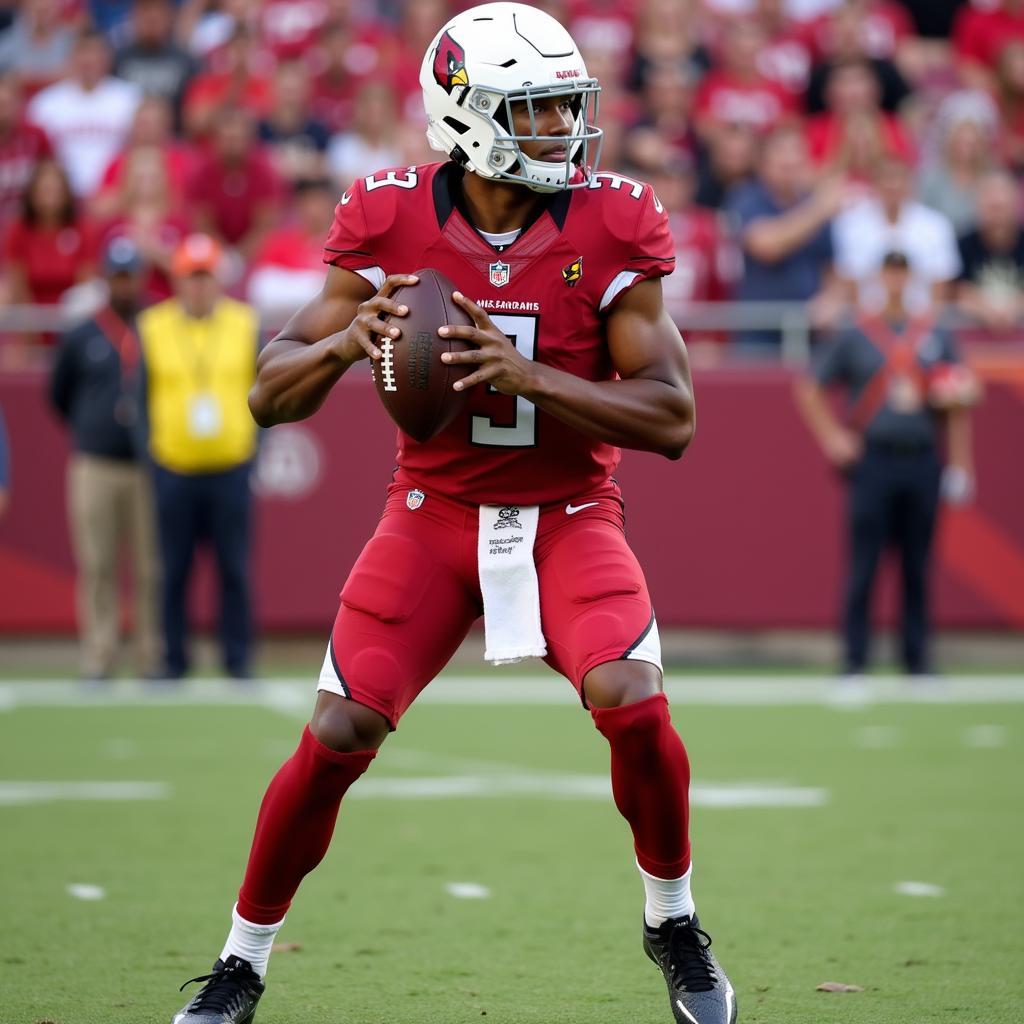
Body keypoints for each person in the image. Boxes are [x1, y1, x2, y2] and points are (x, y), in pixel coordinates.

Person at [171, 5, 736, 1024]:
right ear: (468, 114)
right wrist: (350, 344)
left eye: (569, 103)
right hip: (429, 513)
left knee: (633, 699)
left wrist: (532, 376)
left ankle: (672, 918)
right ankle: (241, 961)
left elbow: (674, 417)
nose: (566, 125)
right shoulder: (388, 216)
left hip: (569, 511)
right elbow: (269, 392)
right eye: (539, 107)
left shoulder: (611, 218)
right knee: (337, 728)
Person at [794, 251, 977, 680]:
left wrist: (962, 463)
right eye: (889, 271)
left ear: (910, 277)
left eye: (902, 272)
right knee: (864, 563)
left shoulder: (935, 333)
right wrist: (834, 438)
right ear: (880, 277)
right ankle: (854, 663)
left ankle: (918, 663)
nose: (895, 280)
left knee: (918, 564)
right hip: (873, 459)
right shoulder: (856, 333)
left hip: (922, 458)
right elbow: (810, 388)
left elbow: (963, 399)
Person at [139, 233, 259, 681]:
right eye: (191, 278)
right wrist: (151, 459)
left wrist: (253, 457)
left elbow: (261, 392)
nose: (199, 287)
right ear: (177, 280)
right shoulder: (153, 326)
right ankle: (173, 660)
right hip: (174, 467)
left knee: (234, 569)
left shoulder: (244, 323)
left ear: (218, 280)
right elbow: (139, 398)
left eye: (206, 277)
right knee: (172, 571)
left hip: (230, 467)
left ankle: (238, 658)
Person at [48, 238, 161, 681]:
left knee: (151, 566)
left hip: (148, 463)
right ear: (104, 279)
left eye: (130, 275)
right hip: (94, 463)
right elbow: (58, 394)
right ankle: (100, 653)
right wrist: (89, 426)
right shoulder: (82, 333)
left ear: (141, 278)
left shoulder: (157, 327)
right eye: (117, 276)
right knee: (97, 563)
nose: (125, 284)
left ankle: (151, 656)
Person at [726, 127, 845, 348]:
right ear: (763, 165)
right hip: (759, 331)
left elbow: (831, 268)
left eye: (797, 155)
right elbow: (766, 245)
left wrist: (831, 299)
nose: (791, 162)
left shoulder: (814, 204)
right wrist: (819, 209)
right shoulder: (747, 197)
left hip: (811, 331)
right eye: (782, 156)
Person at [832, 157, 962, 313]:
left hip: (922, 324)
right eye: (886, 179)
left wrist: (924, 328)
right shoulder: (851, 225)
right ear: (875, 184)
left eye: (898, 179)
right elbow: (849, 283)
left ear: (910, 184)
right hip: (867, 325)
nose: (892, 185)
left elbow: (941, 286)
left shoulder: (936, 226)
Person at [25, 28, 141, 197]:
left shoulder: (130, 98)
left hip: (117, 195)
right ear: (70, 57)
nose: (88, 59)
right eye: (82, 51)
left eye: (95, 52)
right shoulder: (45, 103)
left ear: (107, 57)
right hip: (60, 199)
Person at [956, 170, 1024, 334]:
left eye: (1001, 207)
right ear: (978, 205)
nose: (996, 215)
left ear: (1014, 205)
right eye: (992, 207)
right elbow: (956, 290)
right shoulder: (964, 243)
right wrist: (986, 310)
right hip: (974, 340)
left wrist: (1013, 308)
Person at [0, 72, 53, 229]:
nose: (3, 111)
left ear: (19, 104)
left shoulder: (35, 136)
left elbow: (52, 178)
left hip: (31, 224)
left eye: (7, 104)